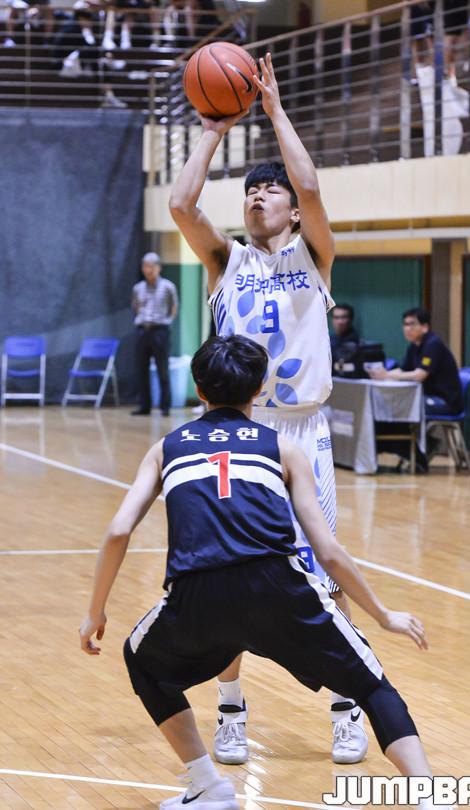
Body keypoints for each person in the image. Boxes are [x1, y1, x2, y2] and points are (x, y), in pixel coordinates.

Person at [79, 334, 454, 810]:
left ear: (199, 389)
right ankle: (429, 797)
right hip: (280, 587)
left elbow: (118, 530)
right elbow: (328, 551)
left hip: (197, 594)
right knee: (373, 686)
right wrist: (383, 615)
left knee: (143, 662)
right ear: (259, 390)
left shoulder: (166, 448)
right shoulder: (283, 447)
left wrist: (95, 612)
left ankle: (207, 785)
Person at [168, 52, 367, 765]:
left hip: (303, 429)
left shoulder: (315, 254)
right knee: (228, 572)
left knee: (323, 569)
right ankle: (231, 710)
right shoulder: (227, 262)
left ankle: (347, 705)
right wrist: (213, 130)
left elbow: (310, 184)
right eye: (250, 191)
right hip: (238, 428)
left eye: (268, 190)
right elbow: (181, 206)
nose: (258, 197)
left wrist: (276, 111)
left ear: (290, 209)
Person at [368, 307, 463, 471]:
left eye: (412, 324)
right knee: (392, 406)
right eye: (405, 324)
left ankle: (418, 452)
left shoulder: (433, 344)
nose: (407, 328)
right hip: (425, 396)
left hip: (445, 401)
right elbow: (403, 370)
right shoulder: (414, 346)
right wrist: (382, 374)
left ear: (425, 327)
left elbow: (420, 375)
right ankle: (411, 450)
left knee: (402, 408)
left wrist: (388, 375)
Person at [131, 252, 178, 417]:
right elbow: (135, 307)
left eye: (152, 266)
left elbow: (174, 308)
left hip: (160, 331)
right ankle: (145, 406)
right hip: (142, 331)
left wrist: (166, 322)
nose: (148, 269)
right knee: (141, 370)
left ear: (159, 267)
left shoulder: (168, 287)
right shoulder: (138, 288)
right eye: (145, 266)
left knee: (162, 370)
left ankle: (165, 407)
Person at [330, 303, 360, 374]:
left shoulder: (357, 345)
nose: (339, 322)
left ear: (350, 319)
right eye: (336, 317)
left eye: (343, 317)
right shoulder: (330, 341)